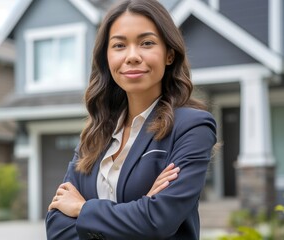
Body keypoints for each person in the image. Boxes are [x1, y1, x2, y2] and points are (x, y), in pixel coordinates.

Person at [45, 0, 217, 239]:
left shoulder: (192, 127)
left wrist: (82, 208)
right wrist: (141, 208)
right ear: (106, 57)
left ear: (169, 54)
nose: (132, 56)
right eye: (119, 45)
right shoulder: (94, 135)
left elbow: (158, 220)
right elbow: (57, 227)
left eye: (147, 43)